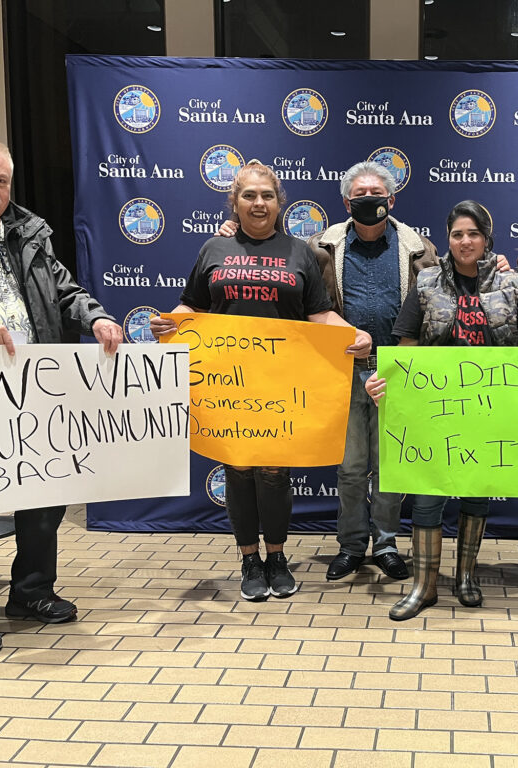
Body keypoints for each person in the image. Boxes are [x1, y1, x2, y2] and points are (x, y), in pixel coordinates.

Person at [0, 138, 123, 655]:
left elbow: (63, 291)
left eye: (1, 180)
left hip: (38, 394)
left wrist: (96, 315)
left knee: (45, 500)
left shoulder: (30, 231)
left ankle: (32, 591)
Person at [150, 161, 371, 602]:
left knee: (274, 471)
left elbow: (318, 313)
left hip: (283, 382)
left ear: (279, 203)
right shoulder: (213, 249)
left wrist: (352, 333)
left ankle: (277, 556)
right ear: (235, 201)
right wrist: (167, 324)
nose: (258, 203)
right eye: (249, 195)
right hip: (228, 382)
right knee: (239, 467)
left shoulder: (300, 252)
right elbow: (191, 307)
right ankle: (249, 558)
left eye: (267, 196)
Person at [218, 162, 438, 582]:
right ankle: (352, 546)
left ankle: (387, 544)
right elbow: (271, 256)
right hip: (340, 371)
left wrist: (496, 262)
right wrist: (230, 231)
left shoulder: (420, 248)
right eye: (359, 193)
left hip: (399, 371)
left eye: (376, 192)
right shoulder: (319, 246)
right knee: (351, 467)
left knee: (390, 466)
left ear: (391, 199)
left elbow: (448, 286)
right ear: (346, 201)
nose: (368, 198)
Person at [365, 200, 518, 620]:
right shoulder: (425, 284)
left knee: (477, 495)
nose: (465, 241)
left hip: (489, 415)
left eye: (474, 233)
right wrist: (381, 381)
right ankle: (424, 586)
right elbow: (405, 347)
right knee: (426, 499)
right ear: (448, 239)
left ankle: (466, 576)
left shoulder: (512, 288)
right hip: (433, 412)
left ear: (486, 238)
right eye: (458, 234)